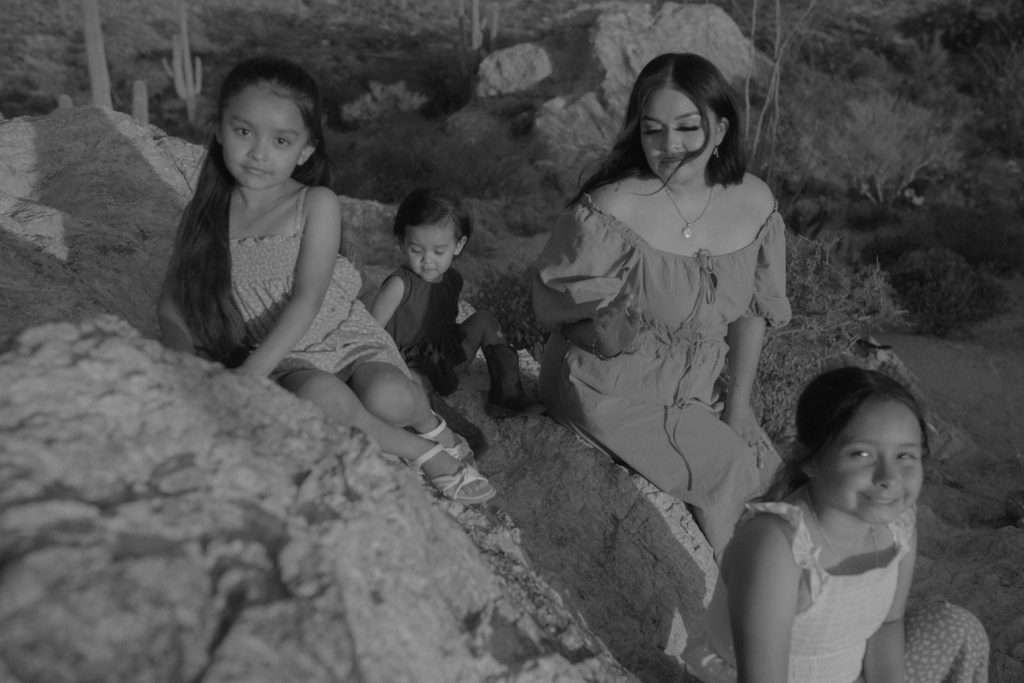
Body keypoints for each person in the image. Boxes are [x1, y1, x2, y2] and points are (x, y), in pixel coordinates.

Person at [156, 56, 494, 505]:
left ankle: (434, 426)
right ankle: (423, 452)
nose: (259, 152)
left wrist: (250, 377)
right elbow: (172, 303)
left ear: (306, 150)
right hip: (280, 352)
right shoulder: (206, 216)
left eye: (280, 139)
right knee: (325, 401)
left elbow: (308, 298)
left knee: (393, 397)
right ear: (218, 129)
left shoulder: (314, 203)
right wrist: (194, 373)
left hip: (340, 333)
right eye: (243, 132)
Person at [532, 53, 790, 558]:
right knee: (729, 475)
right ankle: (749, 625)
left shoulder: (755, 203)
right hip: (608, 382)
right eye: (653, 131)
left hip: (700, 385)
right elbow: (556, 311)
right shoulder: (613, 209)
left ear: (720, 128)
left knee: (779, 487)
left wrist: (737, 410)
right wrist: (606, 333)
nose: (669, 147)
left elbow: (751, 313)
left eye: (687, 128)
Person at [682, 366, 990, 683]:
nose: (888, 478)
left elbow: (887, 625)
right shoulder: (776, 546)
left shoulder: (897, 525)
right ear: (812, 459)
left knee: (958, 629)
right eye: (862, 453)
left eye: (905, 456)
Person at [370, 186, 544, 419]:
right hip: (409, 365)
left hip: (447, 357)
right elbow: (370, 333)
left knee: (485, 320)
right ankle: (440, 421)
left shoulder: (453, 279)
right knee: (416, 384)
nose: (427, 260)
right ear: (402, 242)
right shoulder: (399, 285)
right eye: (416, 250)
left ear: (459, 245)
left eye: (439, 251)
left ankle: (507, 396)